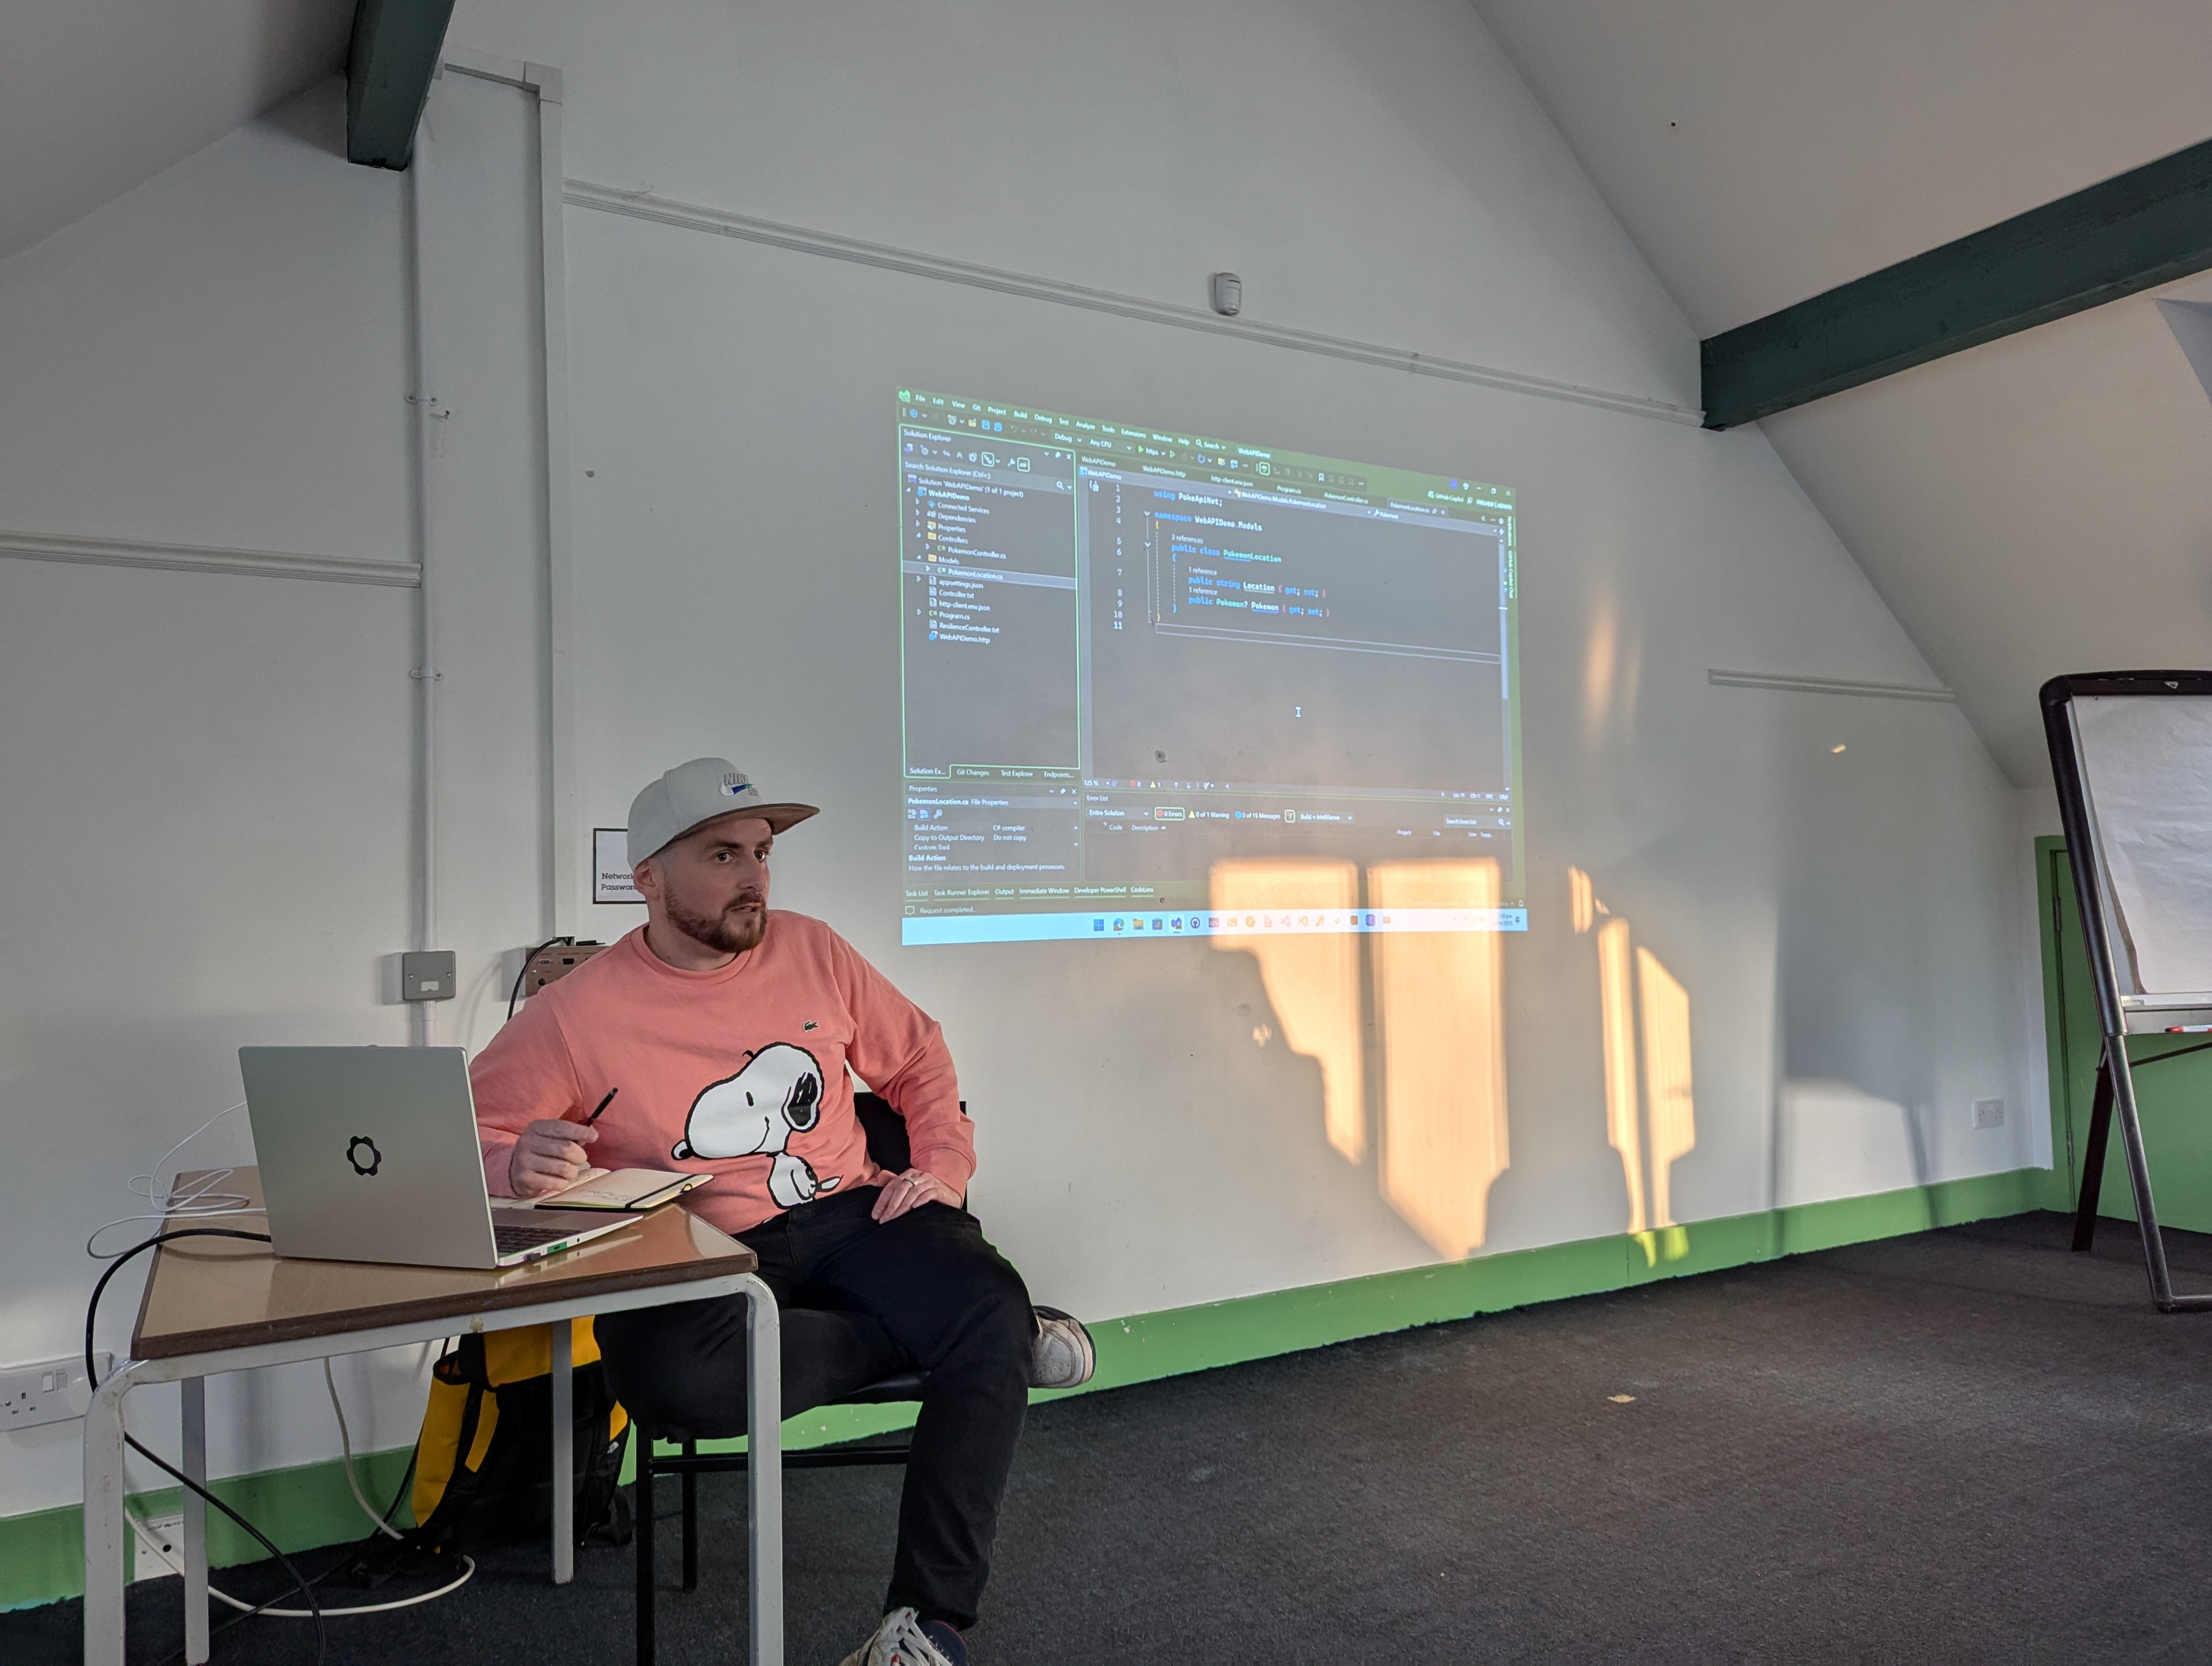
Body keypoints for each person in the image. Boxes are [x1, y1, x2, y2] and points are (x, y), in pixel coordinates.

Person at [470, 758, 1089, 1666]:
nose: (755, 875)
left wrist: (945, 1170)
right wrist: (512, 1158)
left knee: (980, 1299)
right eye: (724, 854)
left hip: (851, 1213)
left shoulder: (814, 949)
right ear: (649, 879)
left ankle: (927, 1624)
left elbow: (918, 1062)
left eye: (762, 853)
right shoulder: (577, 1011)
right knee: (674, 1385)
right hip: (695, 1246)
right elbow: (471, 1133)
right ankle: (952, 1338)